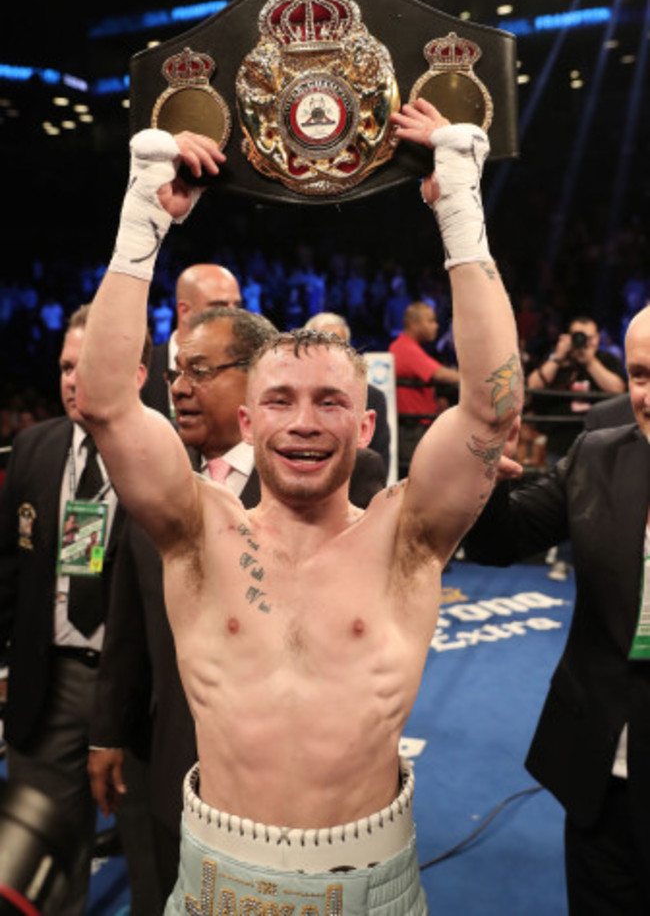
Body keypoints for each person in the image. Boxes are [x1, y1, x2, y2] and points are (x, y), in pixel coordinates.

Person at [76, 99, 521, 913]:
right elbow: (105, 403)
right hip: (215, 874)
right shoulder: (198, 531)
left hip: (369, 881)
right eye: (280, 399)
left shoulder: (404, 538)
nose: (305, 422)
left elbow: (494, 408)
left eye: (327, 401)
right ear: (248, 419)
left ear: (366, 421)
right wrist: (142, 218)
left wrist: (460, 204)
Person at [87, 306, 386, 906]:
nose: (178, 388)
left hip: (306, 804)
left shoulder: (347, 473)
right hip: (168, 758)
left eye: (199, 370)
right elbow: (129, 625)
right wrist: (107, 732)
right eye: (175, 371)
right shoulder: (157, 480)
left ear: (253, 382)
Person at [463, 303, 650, 914]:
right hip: (601, 774)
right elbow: (500, 542)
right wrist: (491, 468)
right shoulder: (599, 453)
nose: (649, 395)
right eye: (643, 375)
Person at [0, 305, 150, 916]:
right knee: (42, 858)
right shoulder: (34, 448)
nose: (70, 379)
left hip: (143, 693)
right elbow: (9, 571)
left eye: (85, 367)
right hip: (51, 679)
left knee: (152, 852)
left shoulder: (167, 452)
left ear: (135, 374)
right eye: (65, 366)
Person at [142, 262, 242, 418]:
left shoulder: (246, 370)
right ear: (185, 310)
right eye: (219, 306)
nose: (232, 316)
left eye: (236, 305)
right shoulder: (145, 366)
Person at [526, 314, 626, 459]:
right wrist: (557, 357)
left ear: (597, 338)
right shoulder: (557, 360)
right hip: (560, 442)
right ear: (568, 337)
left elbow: (618, 388)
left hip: (599, 443)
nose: (582, 341)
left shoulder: (606, 360)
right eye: (578, 336)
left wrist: (590, 362)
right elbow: (532, 385)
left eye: (588, 337)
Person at [305, 311, 391, 475]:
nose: (332, 355)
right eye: (324, 347)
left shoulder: (373, 398)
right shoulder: (292, 395)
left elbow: (379, 465)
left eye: (340, 346)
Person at [389, 300, 460, 477]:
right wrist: (478, 379)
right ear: (414, 324)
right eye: (430, 321)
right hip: (412, 430)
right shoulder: (404, 348)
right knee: (418, 478)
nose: (436, 326)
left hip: (418, 427)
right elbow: (440, 374)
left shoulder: (410, 347)